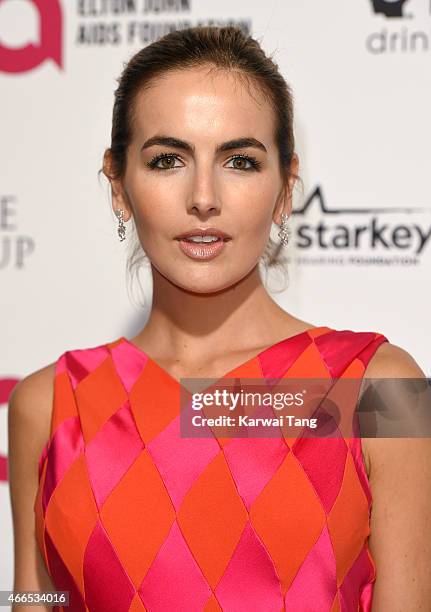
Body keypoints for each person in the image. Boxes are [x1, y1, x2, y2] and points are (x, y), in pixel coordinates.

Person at [8, 25, 431, 612]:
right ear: (118, 185)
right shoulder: (51, 403)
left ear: (285, 187)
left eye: (239, 160)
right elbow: (33, 597)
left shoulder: (380, 391)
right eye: (167, 160)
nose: (203, 197)